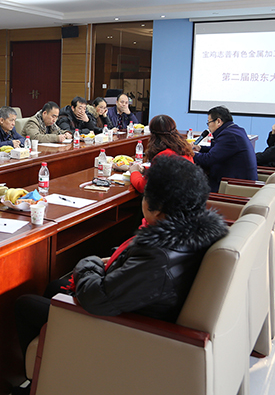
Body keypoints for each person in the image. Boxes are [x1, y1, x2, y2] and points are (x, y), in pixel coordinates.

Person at [12, 156, 227, 395]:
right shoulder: (187, 234)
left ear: (157, 209)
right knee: (55, 286)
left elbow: (96, 297)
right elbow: (135, 267)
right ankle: (46, 373)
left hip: (127, 334)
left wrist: (89, 262)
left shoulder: (158, 258)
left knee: (25, 305)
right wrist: (116, 261)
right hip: (144, 309)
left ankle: (41, 380)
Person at [192, 106, 257, 192]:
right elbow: (219, 151)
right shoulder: (235, 130)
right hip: (234, 180)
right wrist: (200, 149)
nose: (208, 127)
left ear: (218, 121)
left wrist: (188, 153)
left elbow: (209, 159)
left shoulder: (229, 135)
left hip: (235, 186)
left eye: (209, 123)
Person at [128, 114, 193, 193]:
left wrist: (134, 171)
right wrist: (145, 169)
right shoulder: (184, 150)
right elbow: (169, 172)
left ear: (153, 135)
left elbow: (143, 187)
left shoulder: (162, 157)